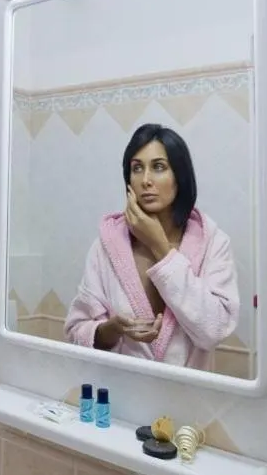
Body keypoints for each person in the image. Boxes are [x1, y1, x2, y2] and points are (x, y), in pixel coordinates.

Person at [64, 123, 239, 369]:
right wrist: (111, 330)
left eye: (158, 167)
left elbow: (215, 330)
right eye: (137, 168)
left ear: (179, 177)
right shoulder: (107, 246)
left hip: (185, 392)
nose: (145, 180)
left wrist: (161, 249)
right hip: (120, 389)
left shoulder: (213, 243)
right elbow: (76, 330)